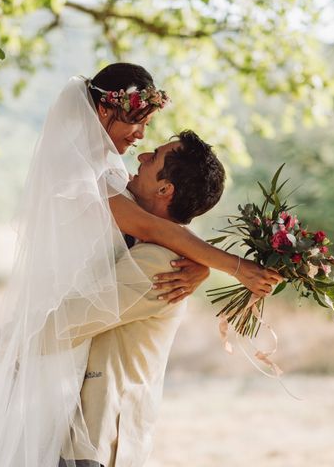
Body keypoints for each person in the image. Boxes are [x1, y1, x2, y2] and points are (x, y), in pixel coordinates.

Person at [0, 63, 279, 467]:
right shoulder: (78, 175)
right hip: (56, 345)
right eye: (137, 121)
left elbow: (162, 232)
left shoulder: (113, 174)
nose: (143, 141)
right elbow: (152, 226)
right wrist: (230, 266)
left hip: (80, 372)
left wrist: (197, 263)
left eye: (149, 128)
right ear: (103, 112)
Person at [60, 130, 226, 467]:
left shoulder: (160, 263)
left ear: (165, 190)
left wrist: (17, 339)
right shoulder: (157, 241)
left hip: (98, 434)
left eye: (153, 158)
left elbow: (65, 324)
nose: (140, 157)